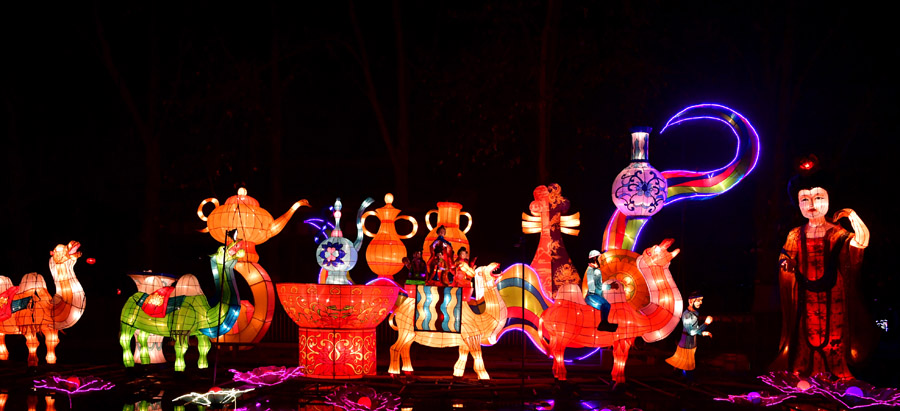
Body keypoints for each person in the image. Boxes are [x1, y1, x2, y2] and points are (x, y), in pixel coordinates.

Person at [773, 158, 873, 380]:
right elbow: (784, 258)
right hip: (804, 295)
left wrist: (852, 215)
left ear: (828, 199)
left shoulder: (838, 233)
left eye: (818, 198)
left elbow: (861, 242)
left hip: (834, 294)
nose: (811, 204)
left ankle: (837, 373)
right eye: (804, 199)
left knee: (834, 334)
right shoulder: (795, 234)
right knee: (804, 335)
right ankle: (804, 373)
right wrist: (786, 265)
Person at [666, 291, 712, 380]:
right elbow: (691, 331)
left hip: (691, 343)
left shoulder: (695, 313)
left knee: (687, 364)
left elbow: (695, 328)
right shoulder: (687, 315)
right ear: (691, 301)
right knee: (686, 364)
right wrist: (706, 323)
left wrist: (703, 333)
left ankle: (684, 380)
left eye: (701, 300)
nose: (700, 302)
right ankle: (684, 381)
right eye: (698, 300)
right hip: (686, 344)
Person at [583, 250, 618, 332]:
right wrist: (610, 286)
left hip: (590, 297)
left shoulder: (590, 270)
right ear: (595, 258)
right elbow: (598, 286)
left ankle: (605, 323)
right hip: (592, 296)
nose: (601, 261)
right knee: (606, 305)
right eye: (600, 258)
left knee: (605, 308)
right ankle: (604, 324)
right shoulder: (596, 271)